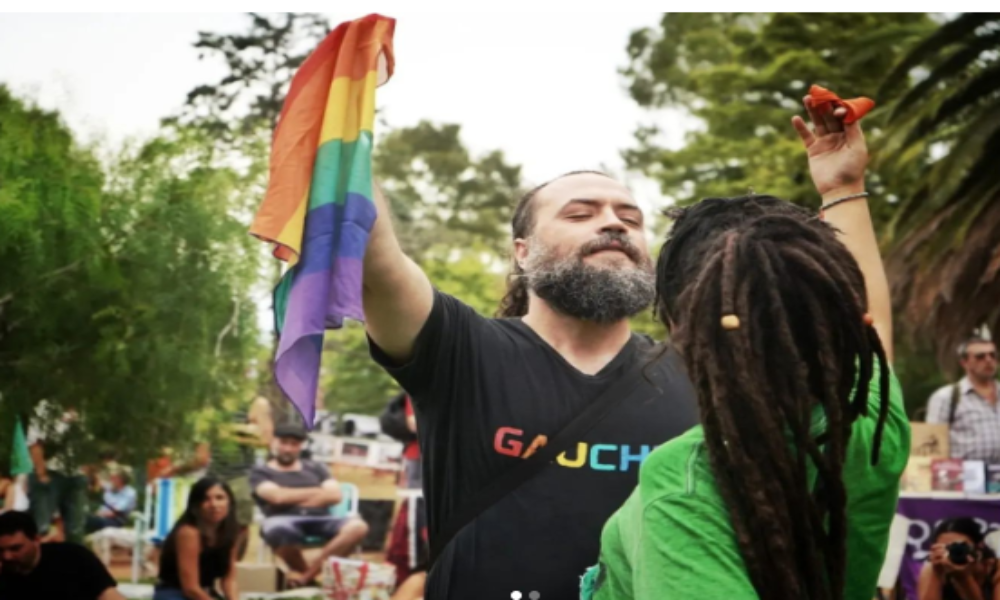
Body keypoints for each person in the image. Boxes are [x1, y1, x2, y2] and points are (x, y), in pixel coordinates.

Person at [581, 96, 910, 600]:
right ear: (846, 322)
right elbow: (873, 332)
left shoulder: (686, 484)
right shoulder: (872, 422)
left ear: (682, 330)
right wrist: (844, 188)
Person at [364, 157, 699, 594]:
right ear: (522, 252)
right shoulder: (461, 352)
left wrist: (824, 196)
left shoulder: (699, 371)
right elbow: (373, 260)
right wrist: (346, 128)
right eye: (581, 214)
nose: (614, 224)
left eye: (630, 218)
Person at [250, 423, 369, 587]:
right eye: (283, 442)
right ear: (273, 442)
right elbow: (277, 498)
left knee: (357, 527)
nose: (288, 448)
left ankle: (306, 578)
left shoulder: (316, 468)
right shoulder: (261, 472)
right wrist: (318, 492)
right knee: (276, 530)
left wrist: (288, 495)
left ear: (300, 446)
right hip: (282, 519)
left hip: (322, 518)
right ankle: (312, 581)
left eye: (294, 444)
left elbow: (335, 495)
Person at [0, 510, 125, 600]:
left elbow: (108, 595)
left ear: (36, 540)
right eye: (1, 550)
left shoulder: (74, 558)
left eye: (15, 548)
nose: (7, 556)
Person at [153, 477, 239, 600]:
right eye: (206, 499)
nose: (214, 504)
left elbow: (229, 579)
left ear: (229, 502)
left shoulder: (230, 532)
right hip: (175, 594)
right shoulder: (188, 533)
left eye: (220, 498)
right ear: (195, 506)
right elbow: (190, 588)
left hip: (205, 593)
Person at [926, 337, 1000, 462]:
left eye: (992, 355)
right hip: (965, 476)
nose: (988, 360)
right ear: (964, 363)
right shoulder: (946, 397)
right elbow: (933, 443)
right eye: (980, 356)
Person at [25, 400, 89, 543]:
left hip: (75, 475)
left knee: (76, 530)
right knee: (42, 528)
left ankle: (74, 563)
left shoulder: (83, 409)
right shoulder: (45, 407)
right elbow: (35, 443)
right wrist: (41, 474)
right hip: (50, 472)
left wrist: (86, 469)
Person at [918, 517, 1000, 600]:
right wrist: (937, 573)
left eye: (962, 546)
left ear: (979, 545)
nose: (955, 551)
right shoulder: (936, 566)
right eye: (948, 547)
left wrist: (963, 578)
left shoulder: (995, 569)